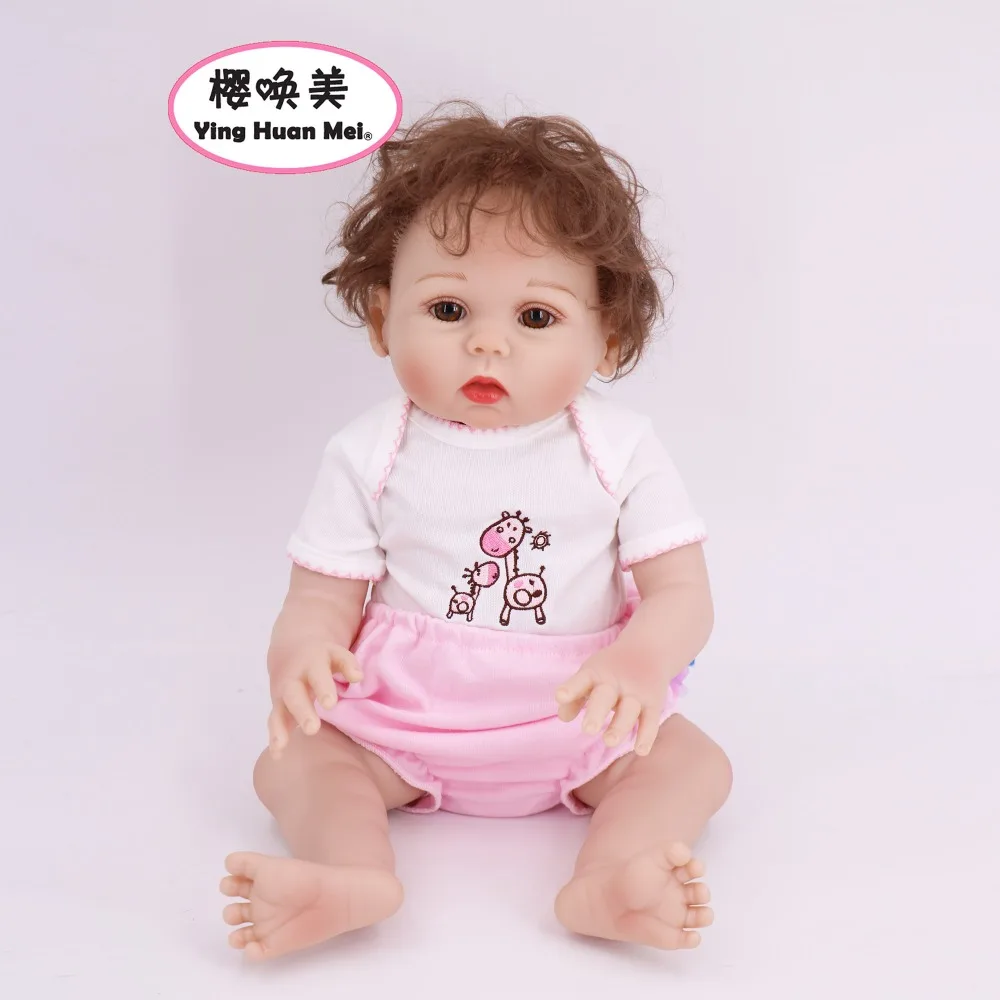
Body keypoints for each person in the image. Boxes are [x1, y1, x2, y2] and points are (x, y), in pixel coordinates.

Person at [219, 100, 733, 960]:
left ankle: (614, 876)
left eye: (536, 318)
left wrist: (641, 662)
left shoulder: (619, 449)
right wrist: (299, 655)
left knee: (694, 766)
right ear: (382, 318)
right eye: (450, 310)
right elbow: (319, 597)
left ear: (607, 337)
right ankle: (348, 872)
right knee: (292, 760)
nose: (488, 345)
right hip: (400, 724)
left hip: (582, 716)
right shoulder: (369, 452)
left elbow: (682, 593)